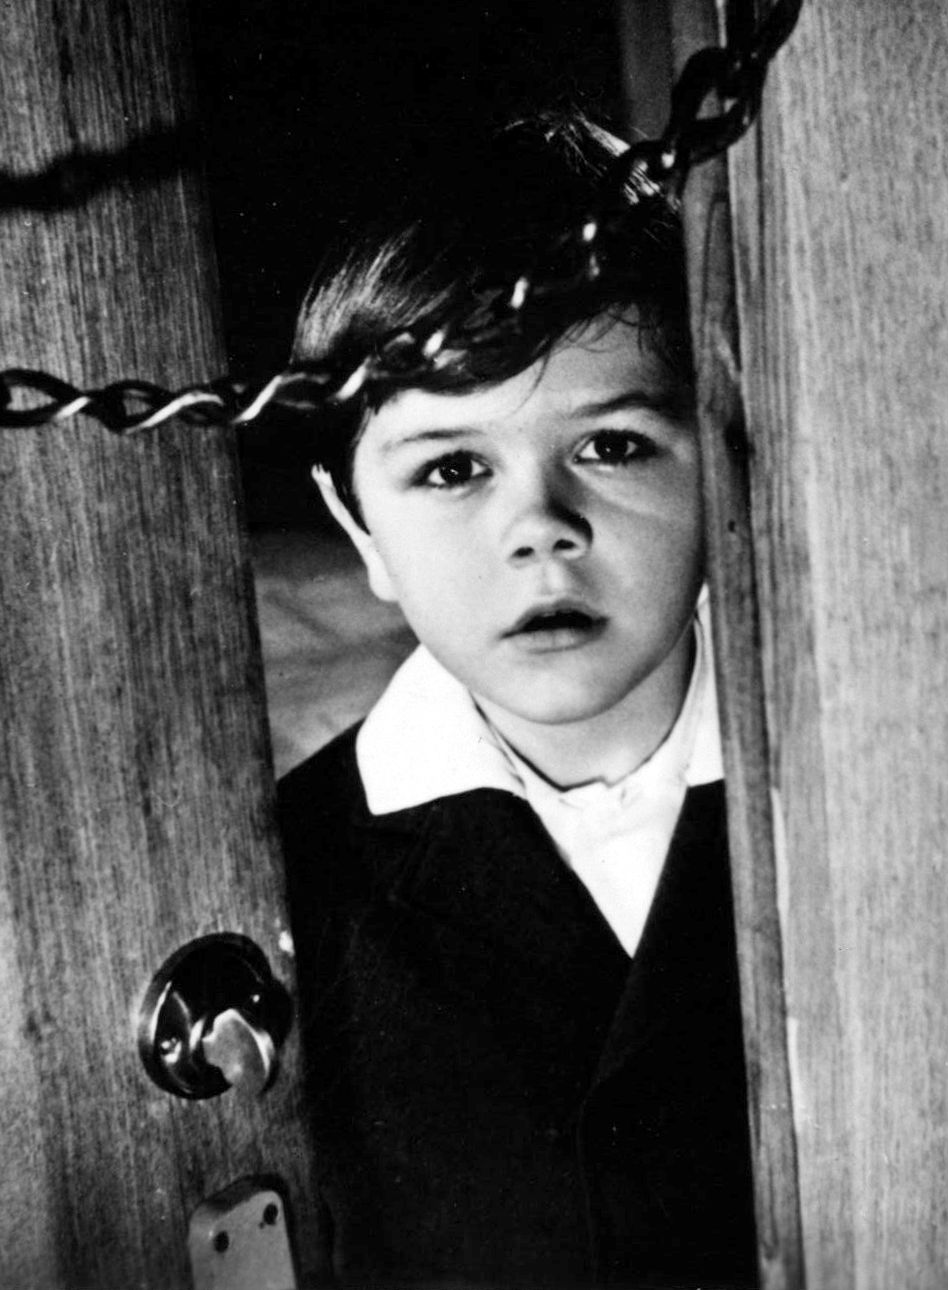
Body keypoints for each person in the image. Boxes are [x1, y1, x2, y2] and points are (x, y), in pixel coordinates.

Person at [275, 114, 756, 1288]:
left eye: (613, 446)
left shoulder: (852, 789)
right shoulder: (290, 881)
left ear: (719, 457)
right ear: (356, 527)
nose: (539, 527)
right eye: (451, 469)